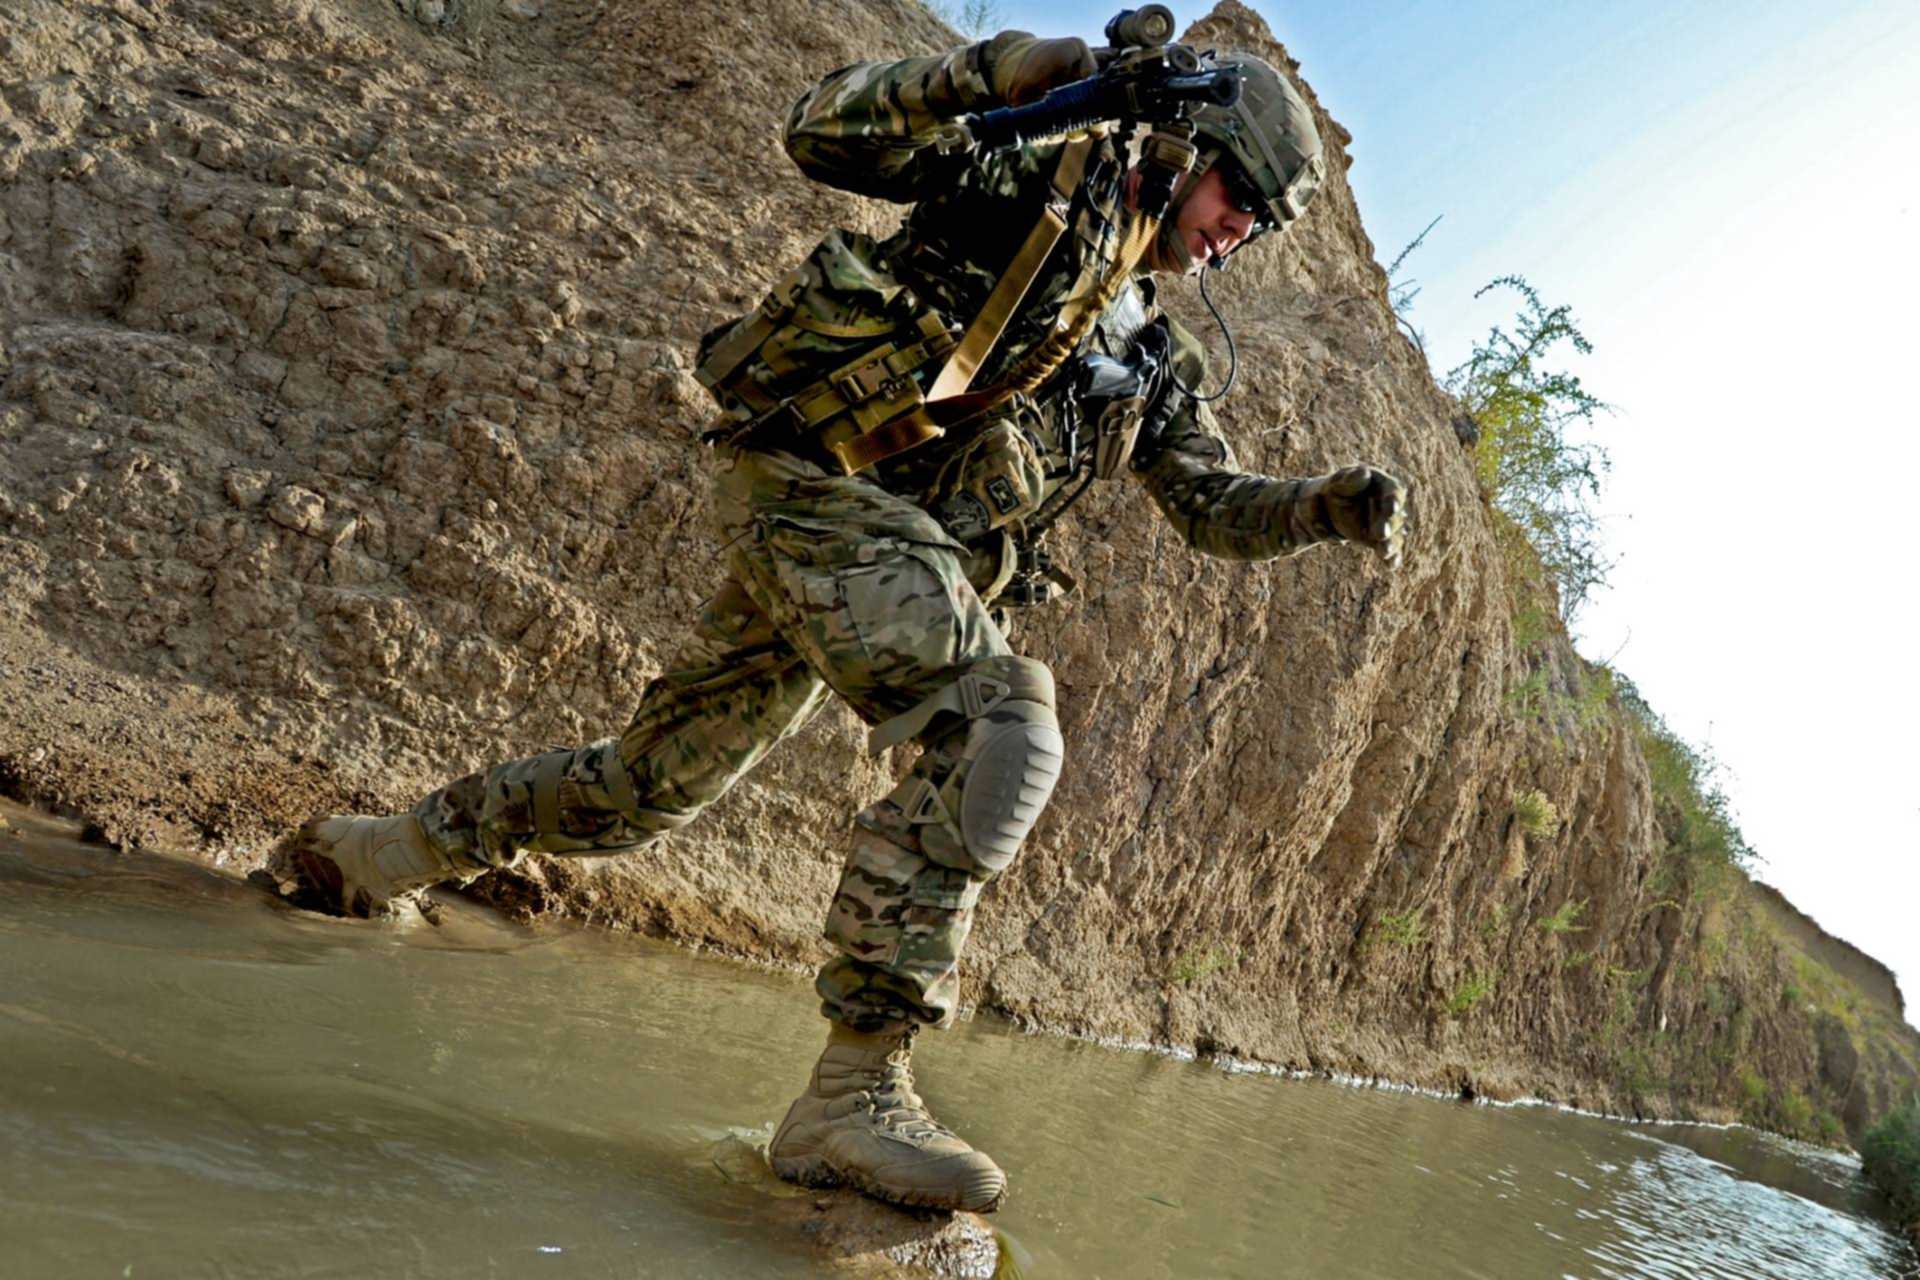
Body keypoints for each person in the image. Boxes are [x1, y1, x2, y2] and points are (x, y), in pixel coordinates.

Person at [275, 30, 1406, 1215]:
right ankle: (853, 1091)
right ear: (1188, 145)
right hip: (809, 485)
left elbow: (1212, 508)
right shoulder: (1035, 173)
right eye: (1240, 197)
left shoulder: (1150, 352)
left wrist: (1327, 505)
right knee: (1000, 722)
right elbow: (825, 131)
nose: (1238, 234)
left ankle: (373, 855)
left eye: (1260, 226)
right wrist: (1003, 74)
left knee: (638, 795)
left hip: (868, 552)